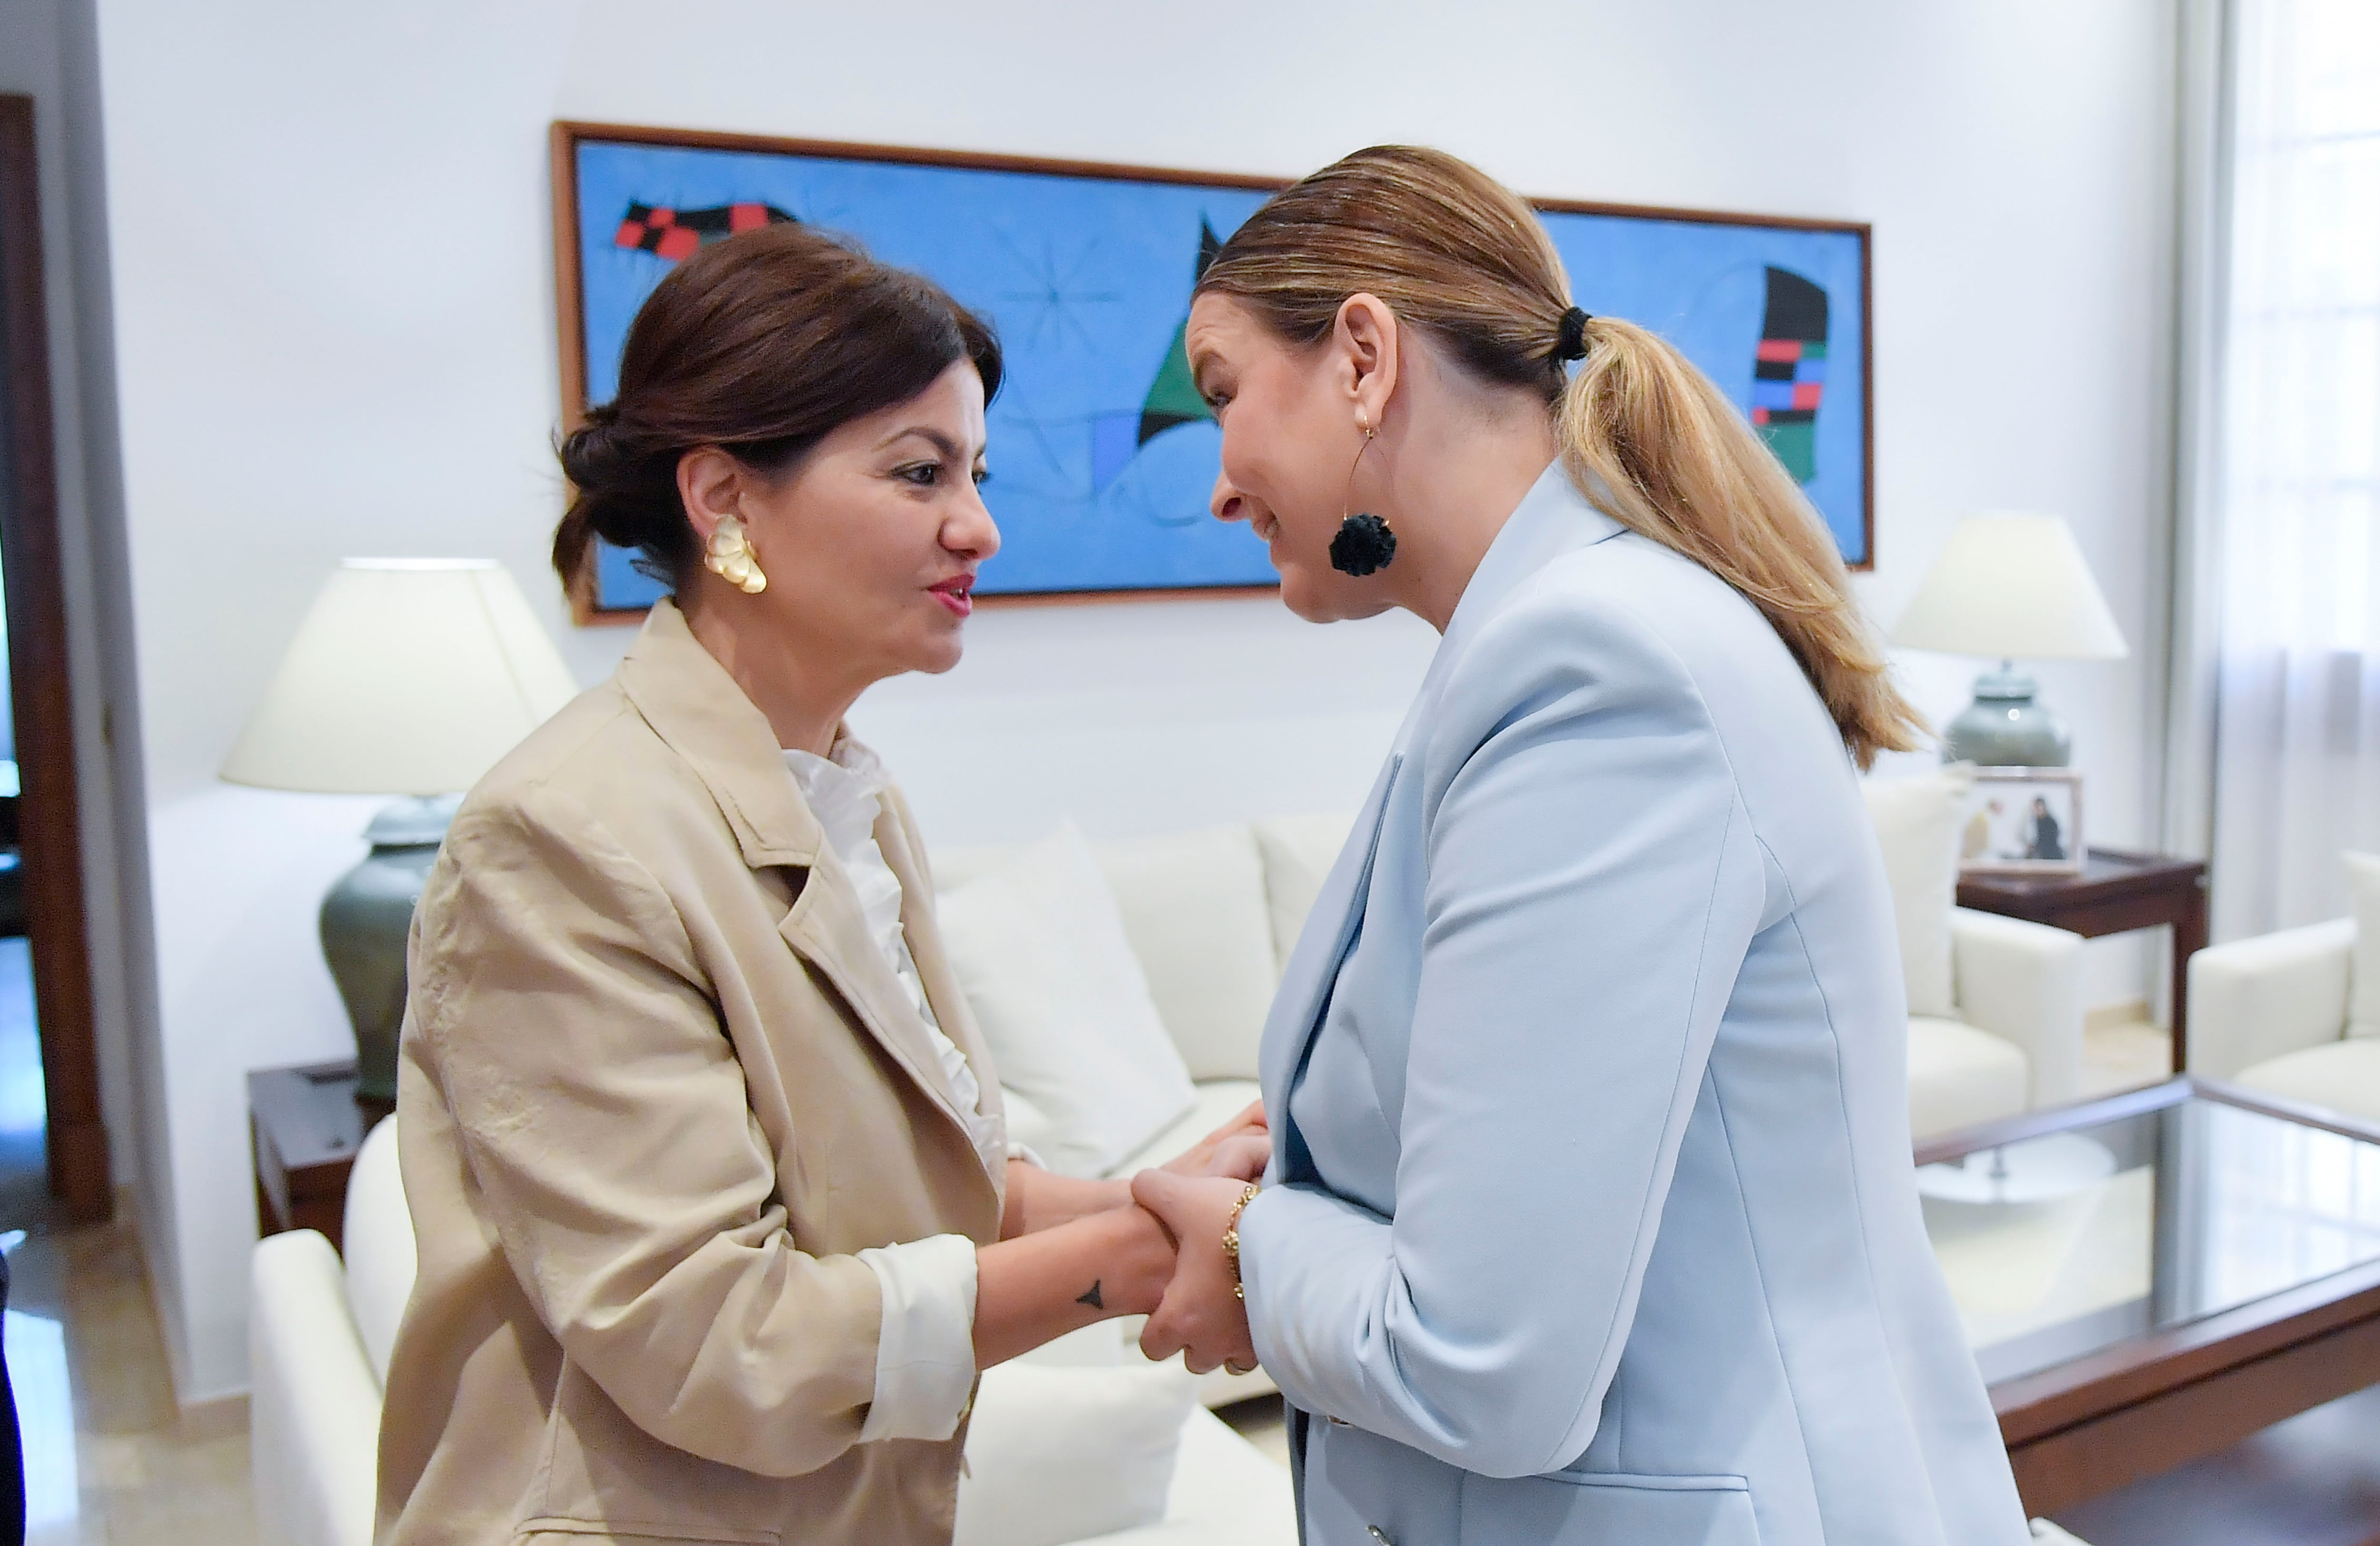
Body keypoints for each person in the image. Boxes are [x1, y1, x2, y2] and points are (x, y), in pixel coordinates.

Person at [1127, 147, 2032, 1546]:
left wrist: (1249, 1245)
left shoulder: (1591, 667)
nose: (1220, 486)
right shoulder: (1538, 642)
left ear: (1363, 357)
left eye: (1224, 394)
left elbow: (1481, 1362)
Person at [377, 224, 1260, 1546]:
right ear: (725, 500)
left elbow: (900, 1187)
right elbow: (717, 1341)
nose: (981, 524)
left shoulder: (850, 792)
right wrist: (1139, 1255)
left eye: (975, 468)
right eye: (920, 472)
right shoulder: (563, 839)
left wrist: (1156, 1194)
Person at [2028, 794, 2066, 860]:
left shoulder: (2050, 822)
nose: (2036, 810)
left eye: (2038, 807)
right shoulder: (2037, 821)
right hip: (2043, 855)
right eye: (2035, 807)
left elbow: (2049, 840)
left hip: (2052, 855)